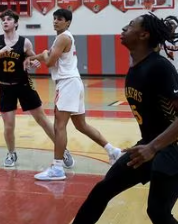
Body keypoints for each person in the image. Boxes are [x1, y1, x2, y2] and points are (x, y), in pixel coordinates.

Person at [24, 13, 178, 224]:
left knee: (158, 213)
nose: (124, 27)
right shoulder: (136, 67)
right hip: (157, 145)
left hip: (166, 148)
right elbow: (167, 116)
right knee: (104, 188)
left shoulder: (159, 67)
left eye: (131, 25)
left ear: (144, 35)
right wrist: (168, 145)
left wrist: (173, 150)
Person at [27, 9, 121, 181]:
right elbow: (46, 55)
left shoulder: (63, 38)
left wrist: (43, 56)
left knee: (59, 126)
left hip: (67, 84)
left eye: (60, 19)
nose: (55, 21)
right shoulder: (62, 38)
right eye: (54, 18)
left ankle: (57, 167)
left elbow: (49, 62)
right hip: (73, 83)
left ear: (68, 22)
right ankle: (113, 151)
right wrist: (35, 58)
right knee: (81, 125)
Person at [0, 9, 73, 168]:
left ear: (15, 23)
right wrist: (0, 51)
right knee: (9, 125)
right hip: (5, 87)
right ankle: (11, 153)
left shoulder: (25, 42)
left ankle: (62, 150)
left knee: (42, 119)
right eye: (3, 20)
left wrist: (33, 62)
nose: (5, 22)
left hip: (23, 85)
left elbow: (32, 58)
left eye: (8, 19)